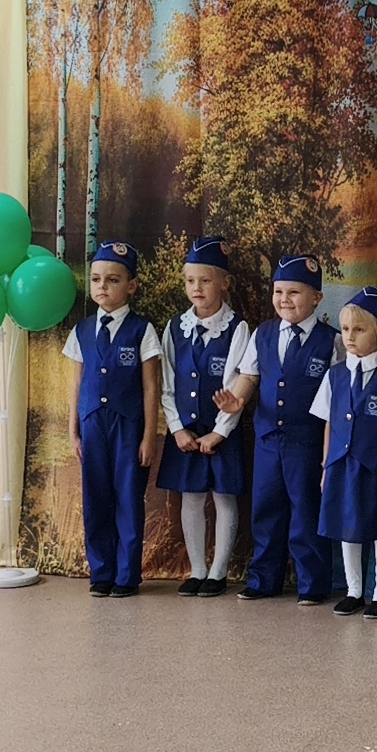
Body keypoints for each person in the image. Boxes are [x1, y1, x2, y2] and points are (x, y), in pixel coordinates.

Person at [217, 256, 344, 605]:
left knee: (306, 510)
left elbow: (341, 394)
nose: (284, 299)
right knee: (266, 509)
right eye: (278, 292)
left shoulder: (332, 341)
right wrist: (238, 400)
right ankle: (263, 579)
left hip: (308, 442)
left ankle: (312, 583)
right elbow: (250, 376)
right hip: (268, 440)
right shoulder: (264, 333)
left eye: (294, 292)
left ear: (316, 298)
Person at [64, 240, 163, 599]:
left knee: (127, 498)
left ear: (131, 286)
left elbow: (150, 386)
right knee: (96, 498)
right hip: (92, 425)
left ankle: (126, 575)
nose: (102, 286)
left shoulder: (142, 330)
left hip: (127, 427)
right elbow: (77, 384)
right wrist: (73, 430)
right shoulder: (82, 331)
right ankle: (101, 571)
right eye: (96, 279)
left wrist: (148, 436)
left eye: (113, 280)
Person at [156, 237, 249, 598]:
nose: (197, 288)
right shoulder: (174, 328)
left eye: (205, 280)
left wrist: (220, 432)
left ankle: (218, 571)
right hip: (186, 434)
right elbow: (166, 385)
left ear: (224, 283)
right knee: (191, 497)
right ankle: (197, 569)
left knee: (223, 497)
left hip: (221, 434)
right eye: (190, 280)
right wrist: (177, 429)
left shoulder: (237, 328)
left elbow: (236, 386)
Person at [312, 288, 377, 618]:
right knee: (347, 529)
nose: (349, 337)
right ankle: (354, 591)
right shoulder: (335, 374)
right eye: (345, 329)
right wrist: (326, 466)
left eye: (359, 329)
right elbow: (328, 423)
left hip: (376, 467)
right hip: (341, 465)